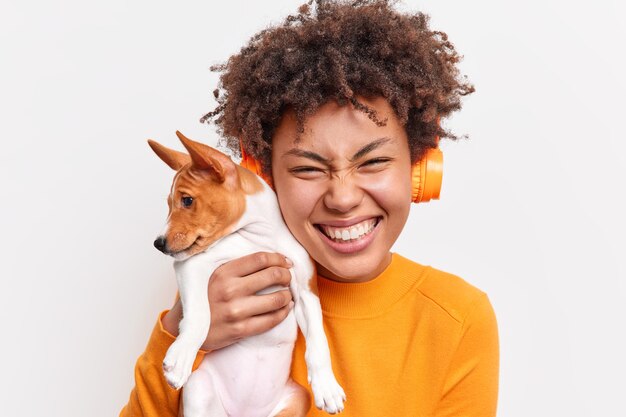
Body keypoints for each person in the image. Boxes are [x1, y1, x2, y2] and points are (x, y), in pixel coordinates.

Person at [120, 1, 499, 416]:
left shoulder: (457, 319)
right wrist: (182, 326)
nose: (342, 197)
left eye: (372, 162)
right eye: (306, 168)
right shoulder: (227, 293)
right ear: (263, 178)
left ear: (420, 168)